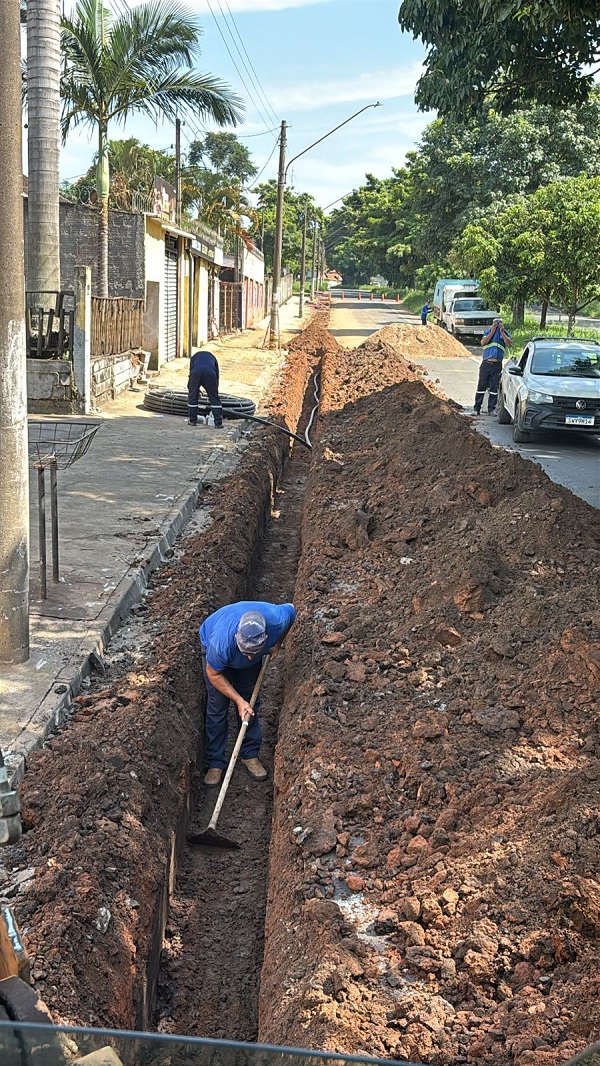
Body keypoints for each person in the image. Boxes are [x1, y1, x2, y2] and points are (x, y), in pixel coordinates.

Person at [199, 600, 296, 786]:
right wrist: (237, 700)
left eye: (254, 652)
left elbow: (292, 611)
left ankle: (250, 754)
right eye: (246, 652)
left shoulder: (277, 619)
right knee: (217, 707)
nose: (250, 657)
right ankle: (215, 762)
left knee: (250, 704)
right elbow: (214, 674)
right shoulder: (220, 643)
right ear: (237, 638)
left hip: (246, 662)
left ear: (266, 637)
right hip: (218, 657)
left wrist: (278, 645)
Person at [474, 317, 512, 414]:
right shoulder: (488, 332)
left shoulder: (505, 333)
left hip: (496, 365)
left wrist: (502, 332)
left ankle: (492, 408)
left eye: (499, 323)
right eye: (495, 323)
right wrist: (492, 331)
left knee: (494, 387)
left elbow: (509, 344)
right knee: (481, 386)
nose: (497, 325)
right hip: (486, 364)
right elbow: (483, 342)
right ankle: (477, 408)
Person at [187, 348, 223, 427]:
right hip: (210, 374)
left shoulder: (194, 358)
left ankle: (192, 421)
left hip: (196, 374)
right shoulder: (213, 358)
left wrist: (193, 390)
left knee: (192, 397)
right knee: (214, 398)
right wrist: (215, 390)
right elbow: (217, 375)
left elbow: (191, 374)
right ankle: (218, 423)